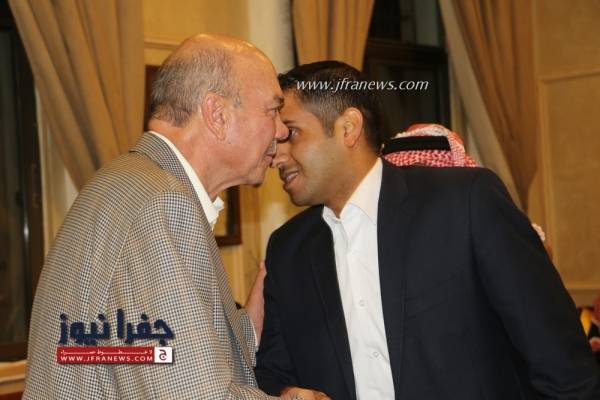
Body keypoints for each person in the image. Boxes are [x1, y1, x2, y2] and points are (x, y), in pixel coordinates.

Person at [255, 60, 600, 399]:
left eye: (291, 134)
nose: (277, 157)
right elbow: (273, 371)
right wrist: (288, 392)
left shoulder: (465, 204)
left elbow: (564, 367)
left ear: (348, 128)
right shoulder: (288, 249)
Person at [24, 34, 289, 399]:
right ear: (217, 115)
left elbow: (143, 351)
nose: (282, 130)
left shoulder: (125, 183)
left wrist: (250, 329)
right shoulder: (162, 205)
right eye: (272, 110)